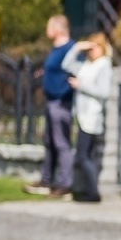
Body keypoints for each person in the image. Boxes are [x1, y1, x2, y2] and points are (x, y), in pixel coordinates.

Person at [28, 13, 75, 197]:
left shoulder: (70, 49)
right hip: (50, 101)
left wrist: (63, 93)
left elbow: (75, 73)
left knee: (61, 143)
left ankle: (65, 185)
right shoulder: (56, 49)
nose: (47, 31)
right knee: (49, 142)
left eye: (49, 27)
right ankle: (46, 180)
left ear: (57, 29)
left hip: (60, 102)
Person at [64, 32, 114, 202]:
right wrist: (77, 47)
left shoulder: (104, 65)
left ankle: (93, 193)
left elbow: (103, 92)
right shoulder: (87, 64)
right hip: (83, 116)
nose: (91, 51)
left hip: (92, 118)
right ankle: (88, 191)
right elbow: (67, 64)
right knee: (87, 156)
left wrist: (81, 85)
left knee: (83, 156)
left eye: (95, 47)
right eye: (90, 48)